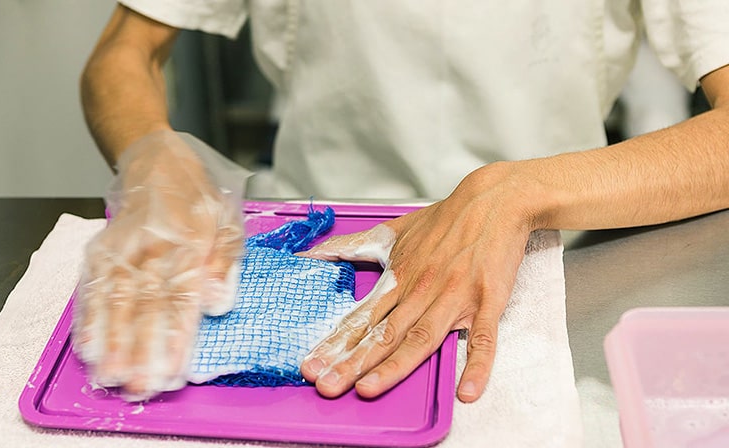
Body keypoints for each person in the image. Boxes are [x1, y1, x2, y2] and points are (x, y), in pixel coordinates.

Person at [75, 1, 729, 403]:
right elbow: (126, 52)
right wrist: (149, 157)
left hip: (554, 255)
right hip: (321, 242)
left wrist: (513, 192)